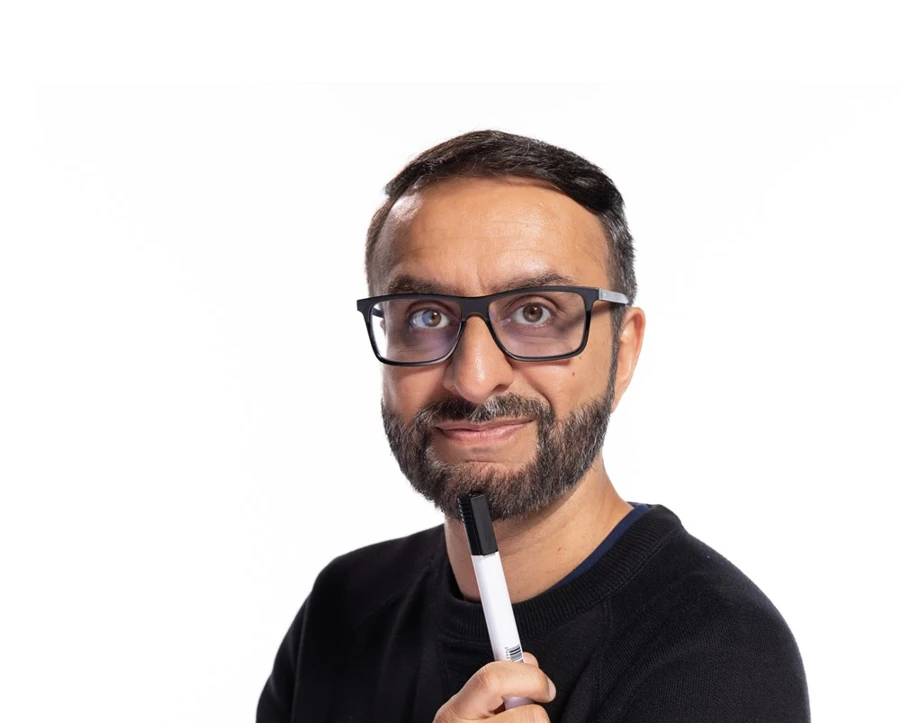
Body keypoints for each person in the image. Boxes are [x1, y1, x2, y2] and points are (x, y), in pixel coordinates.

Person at [256, 130, 810, 722]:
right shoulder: (344, 608)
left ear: (622, 352)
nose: (473, 379)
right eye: (426, 316)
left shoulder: (718, 657)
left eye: (535, 312)